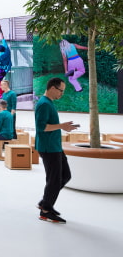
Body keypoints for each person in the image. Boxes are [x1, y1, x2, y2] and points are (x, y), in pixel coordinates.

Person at [35, 77, 79, 224]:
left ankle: (45, 202)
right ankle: (46, 211)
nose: (62, 94)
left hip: (55, 147)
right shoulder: (44, 104)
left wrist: (63, 127)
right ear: (53, 88)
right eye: (61, 91)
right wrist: (61, 126)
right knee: (54, 180)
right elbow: (42, 127)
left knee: (65, 176)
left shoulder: (49, 103)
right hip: (48, 148)